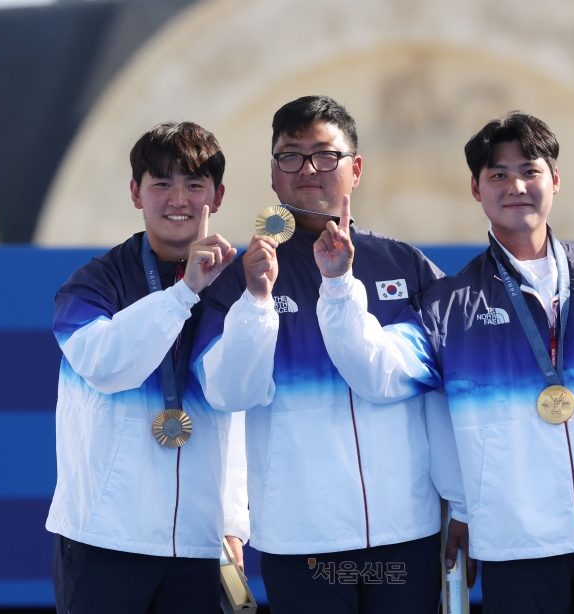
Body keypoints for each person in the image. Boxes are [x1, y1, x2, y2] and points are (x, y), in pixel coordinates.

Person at [315, 112, 574, 613]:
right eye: (498, 175)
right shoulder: (448, 306)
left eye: (529, 169)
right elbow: (378, 374)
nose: (516, 185)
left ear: (554, 179)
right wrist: (337, 286)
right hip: (517, 545)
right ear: (476, 189)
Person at [192, 95, 469, 614]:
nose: (307, 171)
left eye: (325, 155)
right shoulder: (241, 276)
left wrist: (464, 504)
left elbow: (422, 390)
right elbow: (228, 393)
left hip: (403, 531)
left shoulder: (404, 265)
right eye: (290, 157)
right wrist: (255, 300)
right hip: (300, 539)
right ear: (274, 175)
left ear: (356, 168)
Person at [46, 121, 249, 614]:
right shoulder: (93, 283)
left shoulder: (237, 287)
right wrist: (183, 295)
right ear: (136, 192)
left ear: (217, 196)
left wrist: (233, 522)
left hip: (200, 547)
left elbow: (238, 407)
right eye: (161, 183)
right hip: (105, 539)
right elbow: (105, 365)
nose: (178, 198)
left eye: (194, 184)